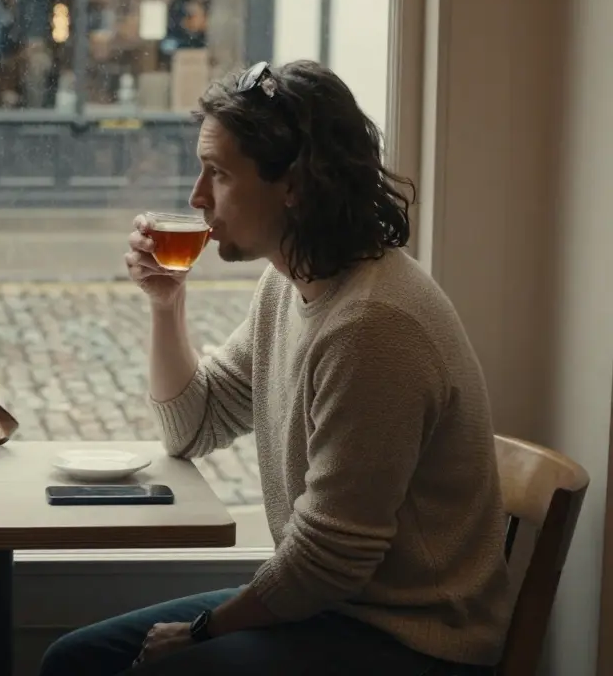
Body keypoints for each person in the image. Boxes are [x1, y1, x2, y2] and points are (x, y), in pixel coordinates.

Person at [39, 60, 512, 675]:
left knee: (159, 666)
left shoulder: (371, 325)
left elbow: (329, 559)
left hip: (412, 640)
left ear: (293, 183)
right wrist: (166, 304)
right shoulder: (289, 285)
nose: (196, 197)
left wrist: (205, 630)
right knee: (75, 660)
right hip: (332, 610)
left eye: (218, 174)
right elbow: (194, 427)